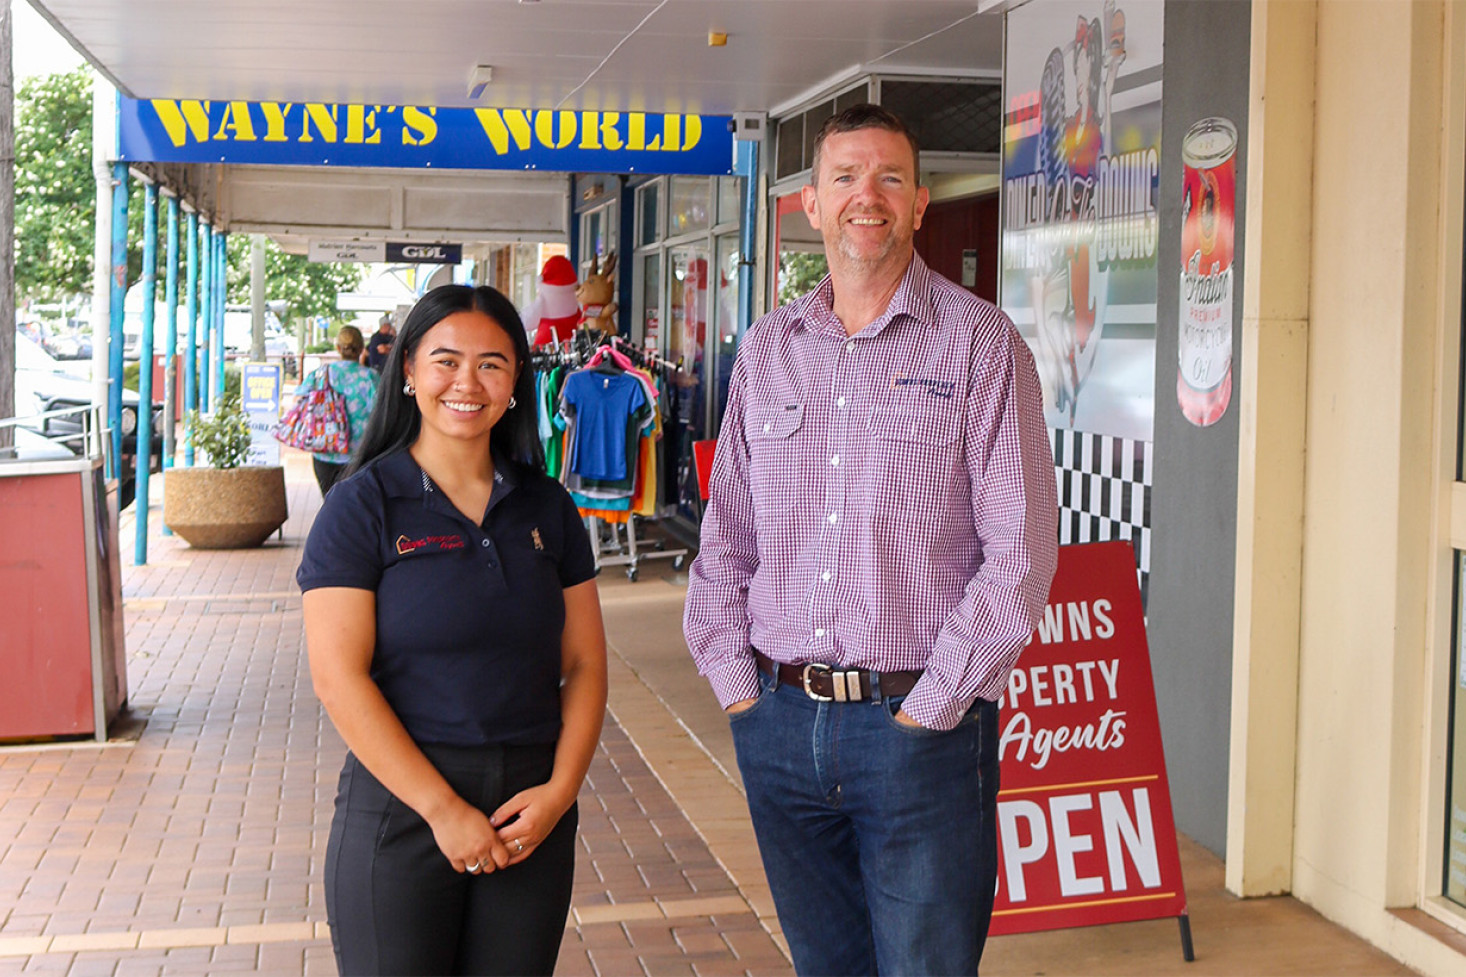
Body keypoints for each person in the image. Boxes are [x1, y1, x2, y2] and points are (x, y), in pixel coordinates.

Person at [683, 104, 1059, 976]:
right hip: (778, 720)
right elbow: (727, 534)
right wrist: (738, 685)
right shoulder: (770, 349)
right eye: (845, 177)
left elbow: (1022, 549)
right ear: (809, 205)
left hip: (918, 729)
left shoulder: (981, 344)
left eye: (889, 177)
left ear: (921, 203)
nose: (867, 196)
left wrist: (934, 703)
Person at [297, 284, 607, 976]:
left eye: (492, 363)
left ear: (517, 383)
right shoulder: (362, 506)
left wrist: (559, 793)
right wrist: (442, 809)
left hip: (532, 814)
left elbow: (585, 662)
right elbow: (336, 675)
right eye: (446, 360)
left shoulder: (548, 505)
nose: (468, 382)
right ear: (407, 371)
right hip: (404, 810)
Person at [292, 325, 376, 496]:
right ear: (361, 349)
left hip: (324, 450)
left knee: (329, 502)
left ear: (338, 348)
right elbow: (380, 413)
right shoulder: (370, 377)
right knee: (355, 505)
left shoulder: (320, 374)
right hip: (359, 455)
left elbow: (298, 399)